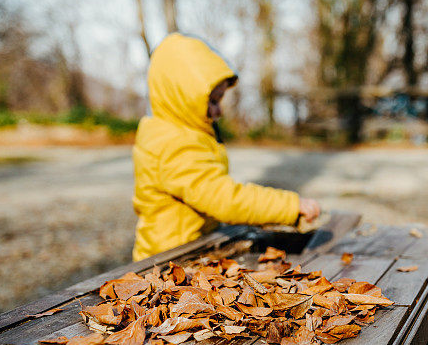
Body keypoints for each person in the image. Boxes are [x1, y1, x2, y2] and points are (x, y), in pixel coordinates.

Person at [132, 33, 320, 260]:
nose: (219, 111)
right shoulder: (170, 143)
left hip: (190, 249)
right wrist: (290, 205)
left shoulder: (180, 132)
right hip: (166, 262)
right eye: (212, 101)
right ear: (182, 97)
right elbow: (224, 198)